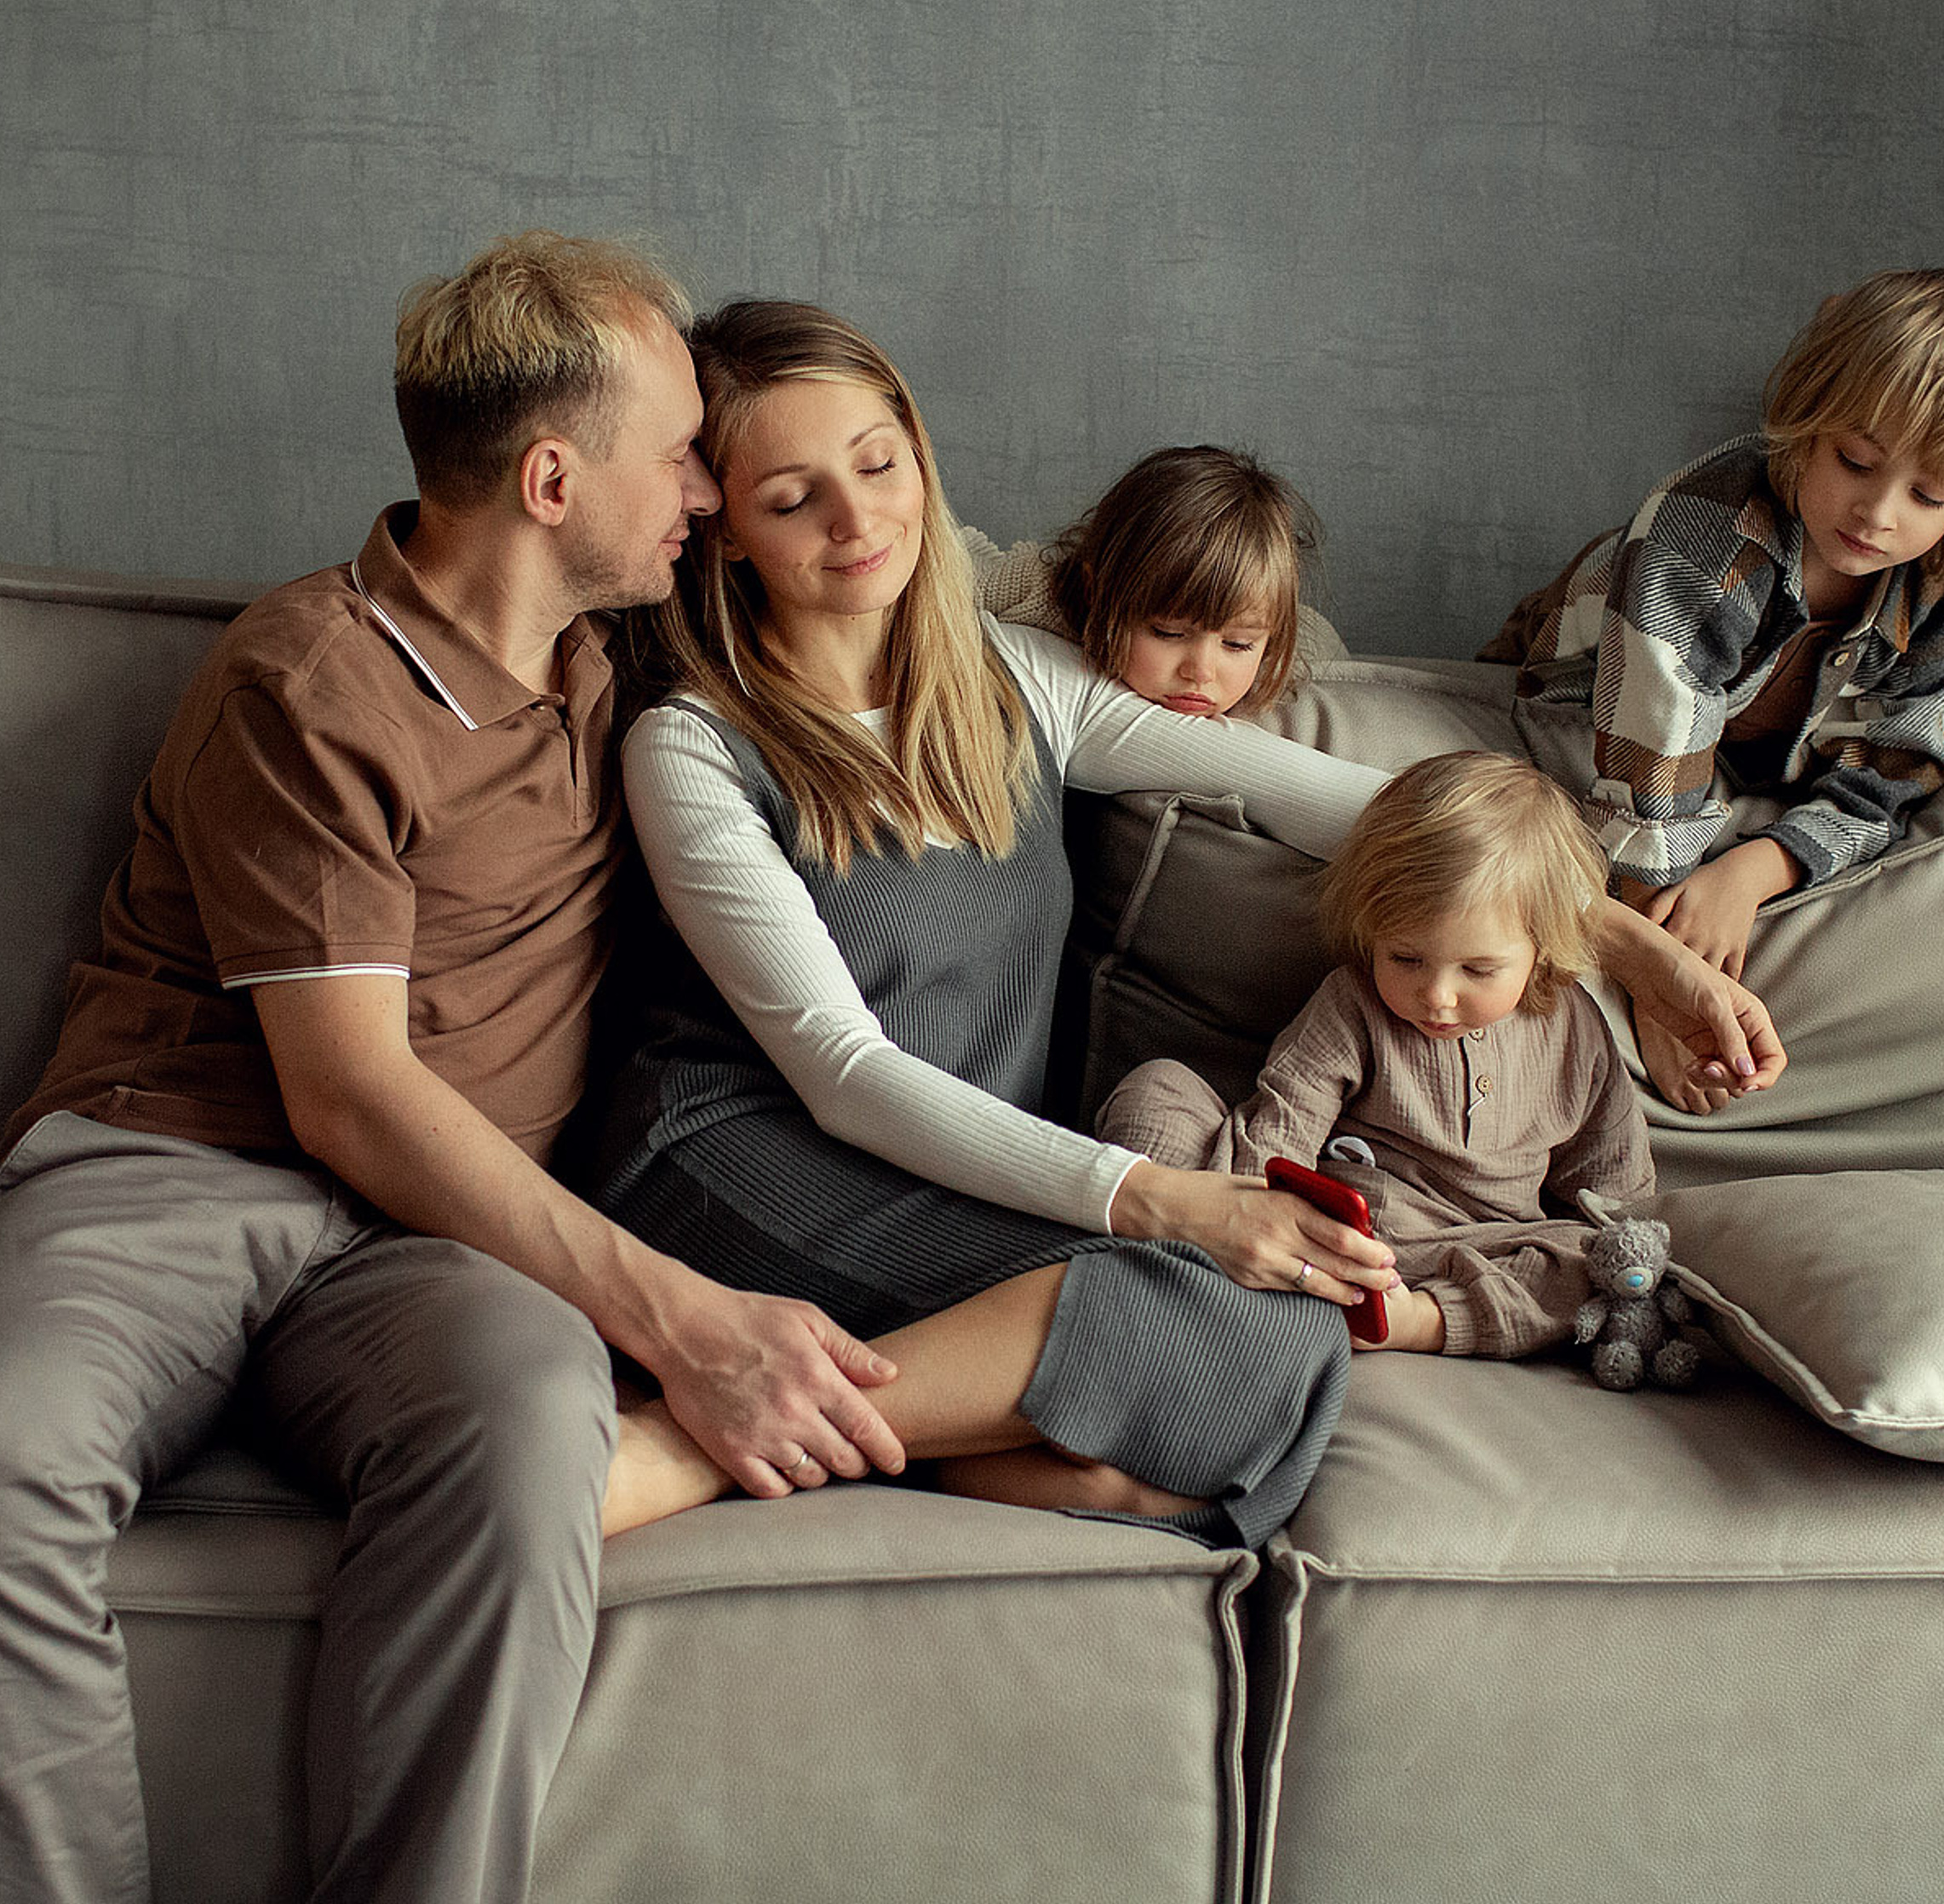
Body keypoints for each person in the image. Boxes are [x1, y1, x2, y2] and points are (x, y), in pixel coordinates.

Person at [0, 233, 905, 1904]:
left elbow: (900, 569)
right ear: (554, 477)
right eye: (680, 453)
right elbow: (345, 1093)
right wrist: (681, 1316)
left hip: (436, 1247)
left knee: (526, 1426)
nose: (705, 491)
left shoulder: (618, 649)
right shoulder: (307, 679)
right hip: (182, 1162)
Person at [582, 300, 1784, 1545]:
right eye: (792, 498)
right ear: (724, 532)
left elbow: (1368, 819)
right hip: (740, 1162)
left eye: (878, 462)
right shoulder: (694, 749)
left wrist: (1642, 956)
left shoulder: (1019, 681)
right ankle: (684, 1448)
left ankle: (784, 1437)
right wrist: (1173, 1200)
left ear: (917, 454)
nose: (858, 519)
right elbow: (846, 1076)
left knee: (1274, 1318)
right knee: (1219, 1308)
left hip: (960, 1174)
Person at [1481, 267, 1944, 1110]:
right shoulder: (1704, 530)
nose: (1877, 512)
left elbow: (1891, 778)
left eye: (1928, 493)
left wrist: (1754, 871)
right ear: (1808, 417)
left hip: (1740, 763)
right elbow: (1648, 754)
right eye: (1855, 460)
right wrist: (1663, 983)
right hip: (1574, 700)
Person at [1101, 752, 1652, 1358]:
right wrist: (1260, 1218)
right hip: (1330, 1231)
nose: (1437, 997)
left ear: (1542, 950)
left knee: (1596, 1257)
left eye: (1478, 969)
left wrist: (1622, 1249)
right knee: (1158, 1090)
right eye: (1406, 959)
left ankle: (1419, 1321)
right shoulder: (1352, 1003)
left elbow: (1617, 1193)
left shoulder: (1577, 1034)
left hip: (1474, 1253)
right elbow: (1281, 1125)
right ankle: (1213, 1279)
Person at [961, 442, 1346, 717]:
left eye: (1237, 644)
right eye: (1168, 633)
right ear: (1098, 592)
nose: (1201, 671)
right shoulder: (1040, 591)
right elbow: (945, 587)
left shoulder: (1296, 658)